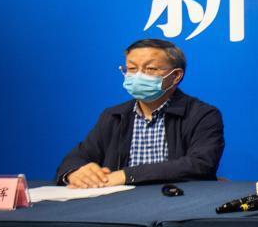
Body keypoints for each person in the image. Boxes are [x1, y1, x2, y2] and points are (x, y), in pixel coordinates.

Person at [55, 38, 224, 187]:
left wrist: (126, 175)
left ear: (176, 76)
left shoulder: (202, 115)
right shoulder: (114, 116)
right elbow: (76, 157)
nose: (138, 76)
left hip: (176, 202)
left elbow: (200, 165)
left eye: (150, 68)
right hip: (117, 204)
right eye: (131, 68)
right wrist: (75, 172)